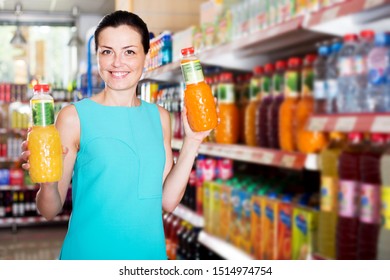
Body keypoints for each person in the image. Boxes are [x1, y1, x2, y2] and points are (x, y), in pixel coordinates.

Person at [21, 10, 211, 260]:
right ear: (98, 56)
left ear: (146, 56)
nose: (117, 62)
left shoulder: (160, 117)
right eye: (107, 51)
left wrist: (193, 141)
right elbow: (49, 210)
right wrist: (46, 182)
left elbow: (166, 202)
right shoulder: (73, 117)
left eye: (129, 52)